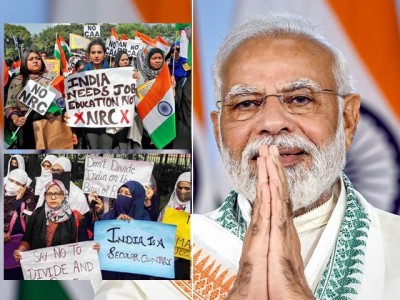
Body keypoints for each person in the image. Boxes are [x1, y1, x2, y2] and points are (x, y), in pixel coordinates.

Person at [190, 13, 400, 300]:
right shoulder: (157, 257)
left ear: (348, 119)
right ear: (217, 131)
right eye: (247, 103)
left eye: (300, 99)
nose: (273, 123)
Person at [13, 180, 97, 262]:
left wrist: (92, 248)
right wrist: (21, 251)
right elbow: (27, 239)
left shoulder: (75, 217)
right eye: (49, 194)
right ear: (45, 196)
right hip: (40, 269)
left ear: (64, 195)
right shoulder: (37, 214)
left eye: (57, 194)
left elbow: (84, 245)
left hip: (66, 270)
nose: (53, 197)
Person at [5, 49, 73, 149]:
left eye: (38, 58)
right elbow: (9, 106)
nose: (35, 61)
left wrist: (66, 113)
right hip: (26, 126)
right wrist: (15, 119)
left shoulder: (53, 78)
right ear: (24, 62)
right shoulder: (17, 81)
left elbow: (64, 100)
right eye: (31, 59)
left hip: (51, 124)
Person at [81, 39, 113, 149]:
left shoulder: (115, 73)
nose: (96, 55)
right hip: (90, 120)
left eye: (99, 52)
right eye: (93, 52)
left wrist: (132, 78)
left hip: (108, 120)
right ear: (89, 55)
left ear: (104, 54)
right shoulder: (81, 74)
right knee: (93, 150)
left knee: (106, 150)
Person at [108, 50, 142, 149]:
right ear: (118, 61)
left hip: (131, 112)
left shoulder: (134, 73)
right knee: (120, 137)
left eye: (127, 59)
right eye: (122, 60)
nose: (125, 61)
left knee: (129, 136)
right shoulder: (111, 74)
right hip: (117, 112)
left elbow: (139, 90)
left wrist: (137, 80)